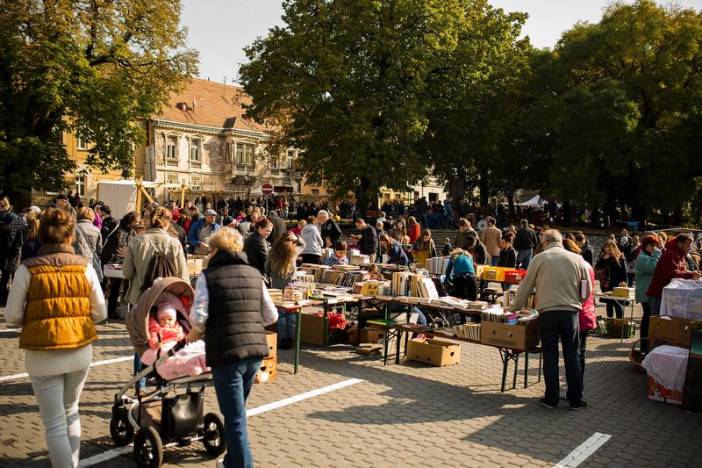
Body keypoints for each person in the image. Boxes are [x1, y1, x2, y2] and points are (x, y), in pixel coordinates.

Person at [4, 207, 106, 467]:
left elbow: (13, 316)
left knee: (54, 424)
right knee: (71, 412)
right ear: (70, 235)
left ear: (40, 233)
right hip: (79, 348)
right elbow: (101, 312)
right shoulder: (85, 267)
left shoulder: (28, 269)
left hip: (42, 351)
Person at [188, 228, 278, 468]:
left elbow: (198, 317)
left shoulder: (208, 276)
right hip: (255, 352)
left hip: (227, 352)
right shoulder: (254, 274)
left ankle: (241, 465)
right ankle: (231, 460)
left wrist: (196, 331)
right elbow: (271, 315)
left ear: (215, 250)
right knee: (237, 412)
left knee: (235, 416)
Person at [509, 229, 591, 410]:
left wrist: (513, 309)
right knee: (573, 356)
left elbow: (526, 286)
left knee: (550, 354)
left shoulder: (539, 258)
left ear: (545, 242)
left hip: (547, 312)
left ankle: (551, 398)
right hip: (571, 312)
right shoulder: (578, 259)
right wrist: (578, 302)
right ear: (560, 241)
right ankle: (575, 399)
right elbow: (587, 290)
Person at [123, 207, 189, 306]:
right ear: (167, 222)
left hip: (140, 297)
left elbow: (127, 273)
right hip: (167, 298)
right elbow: (183, 276)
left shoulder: (136, 242)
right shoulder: (175, 243)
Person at [563, 238, 596, 393]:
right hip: (584, 313)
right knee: (578, 354)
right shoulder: (585, 265)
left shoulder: (578, 266)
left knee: (576, 355)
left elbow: (583, 294)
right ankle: (576, 390)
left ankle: (576, 391)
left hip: (579, 314)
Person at [646, 233, 701, 315]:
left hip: (665, 294)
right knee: (658, 322)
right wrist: (691, 275)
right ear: (679, 244)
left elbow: (680, 270)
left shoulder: (679, 254)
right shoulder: (671, 254)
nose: (689, 248)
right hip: (658, 294)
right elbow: (672, 273)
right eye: (687, 245)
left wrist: (692, 273)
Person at [266, 232, 304, 349]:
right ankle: (291, 338)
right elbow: (303, 245)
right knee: (291, 313)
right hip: (290, 287)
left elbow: (266, 267)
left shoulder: (273, 252)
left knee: (281, 314)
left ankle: (283, 339)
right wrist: (296, 238)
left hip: (276, 287)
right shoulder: (293, 251)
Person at [101, 212, 140, 319]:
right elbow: (111, 247)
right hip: (115, 263)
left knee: (127, 288)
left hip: (127, 263)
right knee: (114, 288)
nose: (137, 223)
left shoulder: (133, 232)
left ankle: (123, 311)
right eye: (136, 221)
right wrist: (110, 262)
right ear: (130, 220)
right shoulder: (118, 230)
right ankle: (111, 311)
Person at [635, 236, 662, 353]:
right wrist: (657, 253)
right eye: (652, 245)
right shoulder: (641, 257)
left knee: (648, 318)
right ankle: (644, 346)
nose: (654, 248)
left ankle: (646, 346)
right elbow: (653, 268)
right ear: (645, 245)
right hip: (645, 293)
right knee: (647, 318)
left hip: (649, 292)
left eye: (655, 245)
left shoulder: (648, 256)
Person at [0, 196, 26, 306]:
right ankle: (6, 299)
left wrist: (12, 250)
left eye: (2, 205)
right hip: (6, 251)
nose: (0, 207)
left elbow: (16, 238)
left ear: (6, 205)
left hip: (10, 252)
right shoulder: (9, 217)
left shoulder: (13, 217)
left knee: (8, 276)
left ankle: (7, 300)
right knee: (7, 276)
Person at [595, 240, 628, 319]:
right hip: (606, 284)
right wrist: (603, 259)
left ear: (614, 247)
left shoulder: (620, 256)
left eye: (609, 247)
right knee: (609, 303)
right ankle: (610, 323)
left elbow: (624, 272)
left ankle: (619, 323)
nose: (607, 249)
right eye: (606, 247)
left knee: (618, 305)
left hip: (617, 284)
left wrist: (625, 284)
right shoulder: (602, 257)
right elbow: (597, 268)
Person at [74, 207, 103, 277]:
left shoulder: (73, 228)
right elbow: (99, 249)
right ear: (92, 217)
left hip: (75, 261)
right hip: (90, 262)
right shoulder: (97, 230)